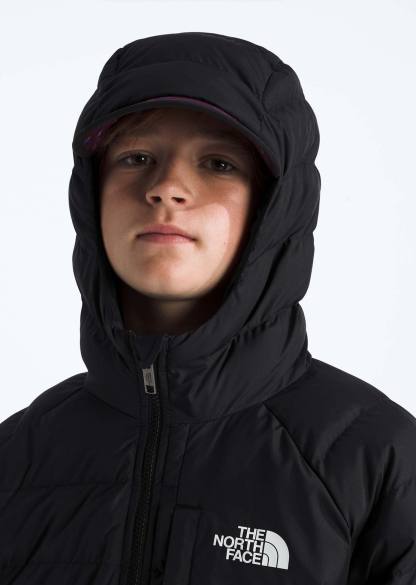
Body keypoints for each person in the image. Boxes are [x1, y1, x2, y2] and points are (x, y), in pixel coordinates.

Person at [0, 31, 415, 585]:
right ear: (91, 191)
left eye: (218, 164)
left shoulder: (378, 459)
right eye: (136, 157)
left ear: (275, 209)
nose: (166, 187)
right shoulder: (16, 458)